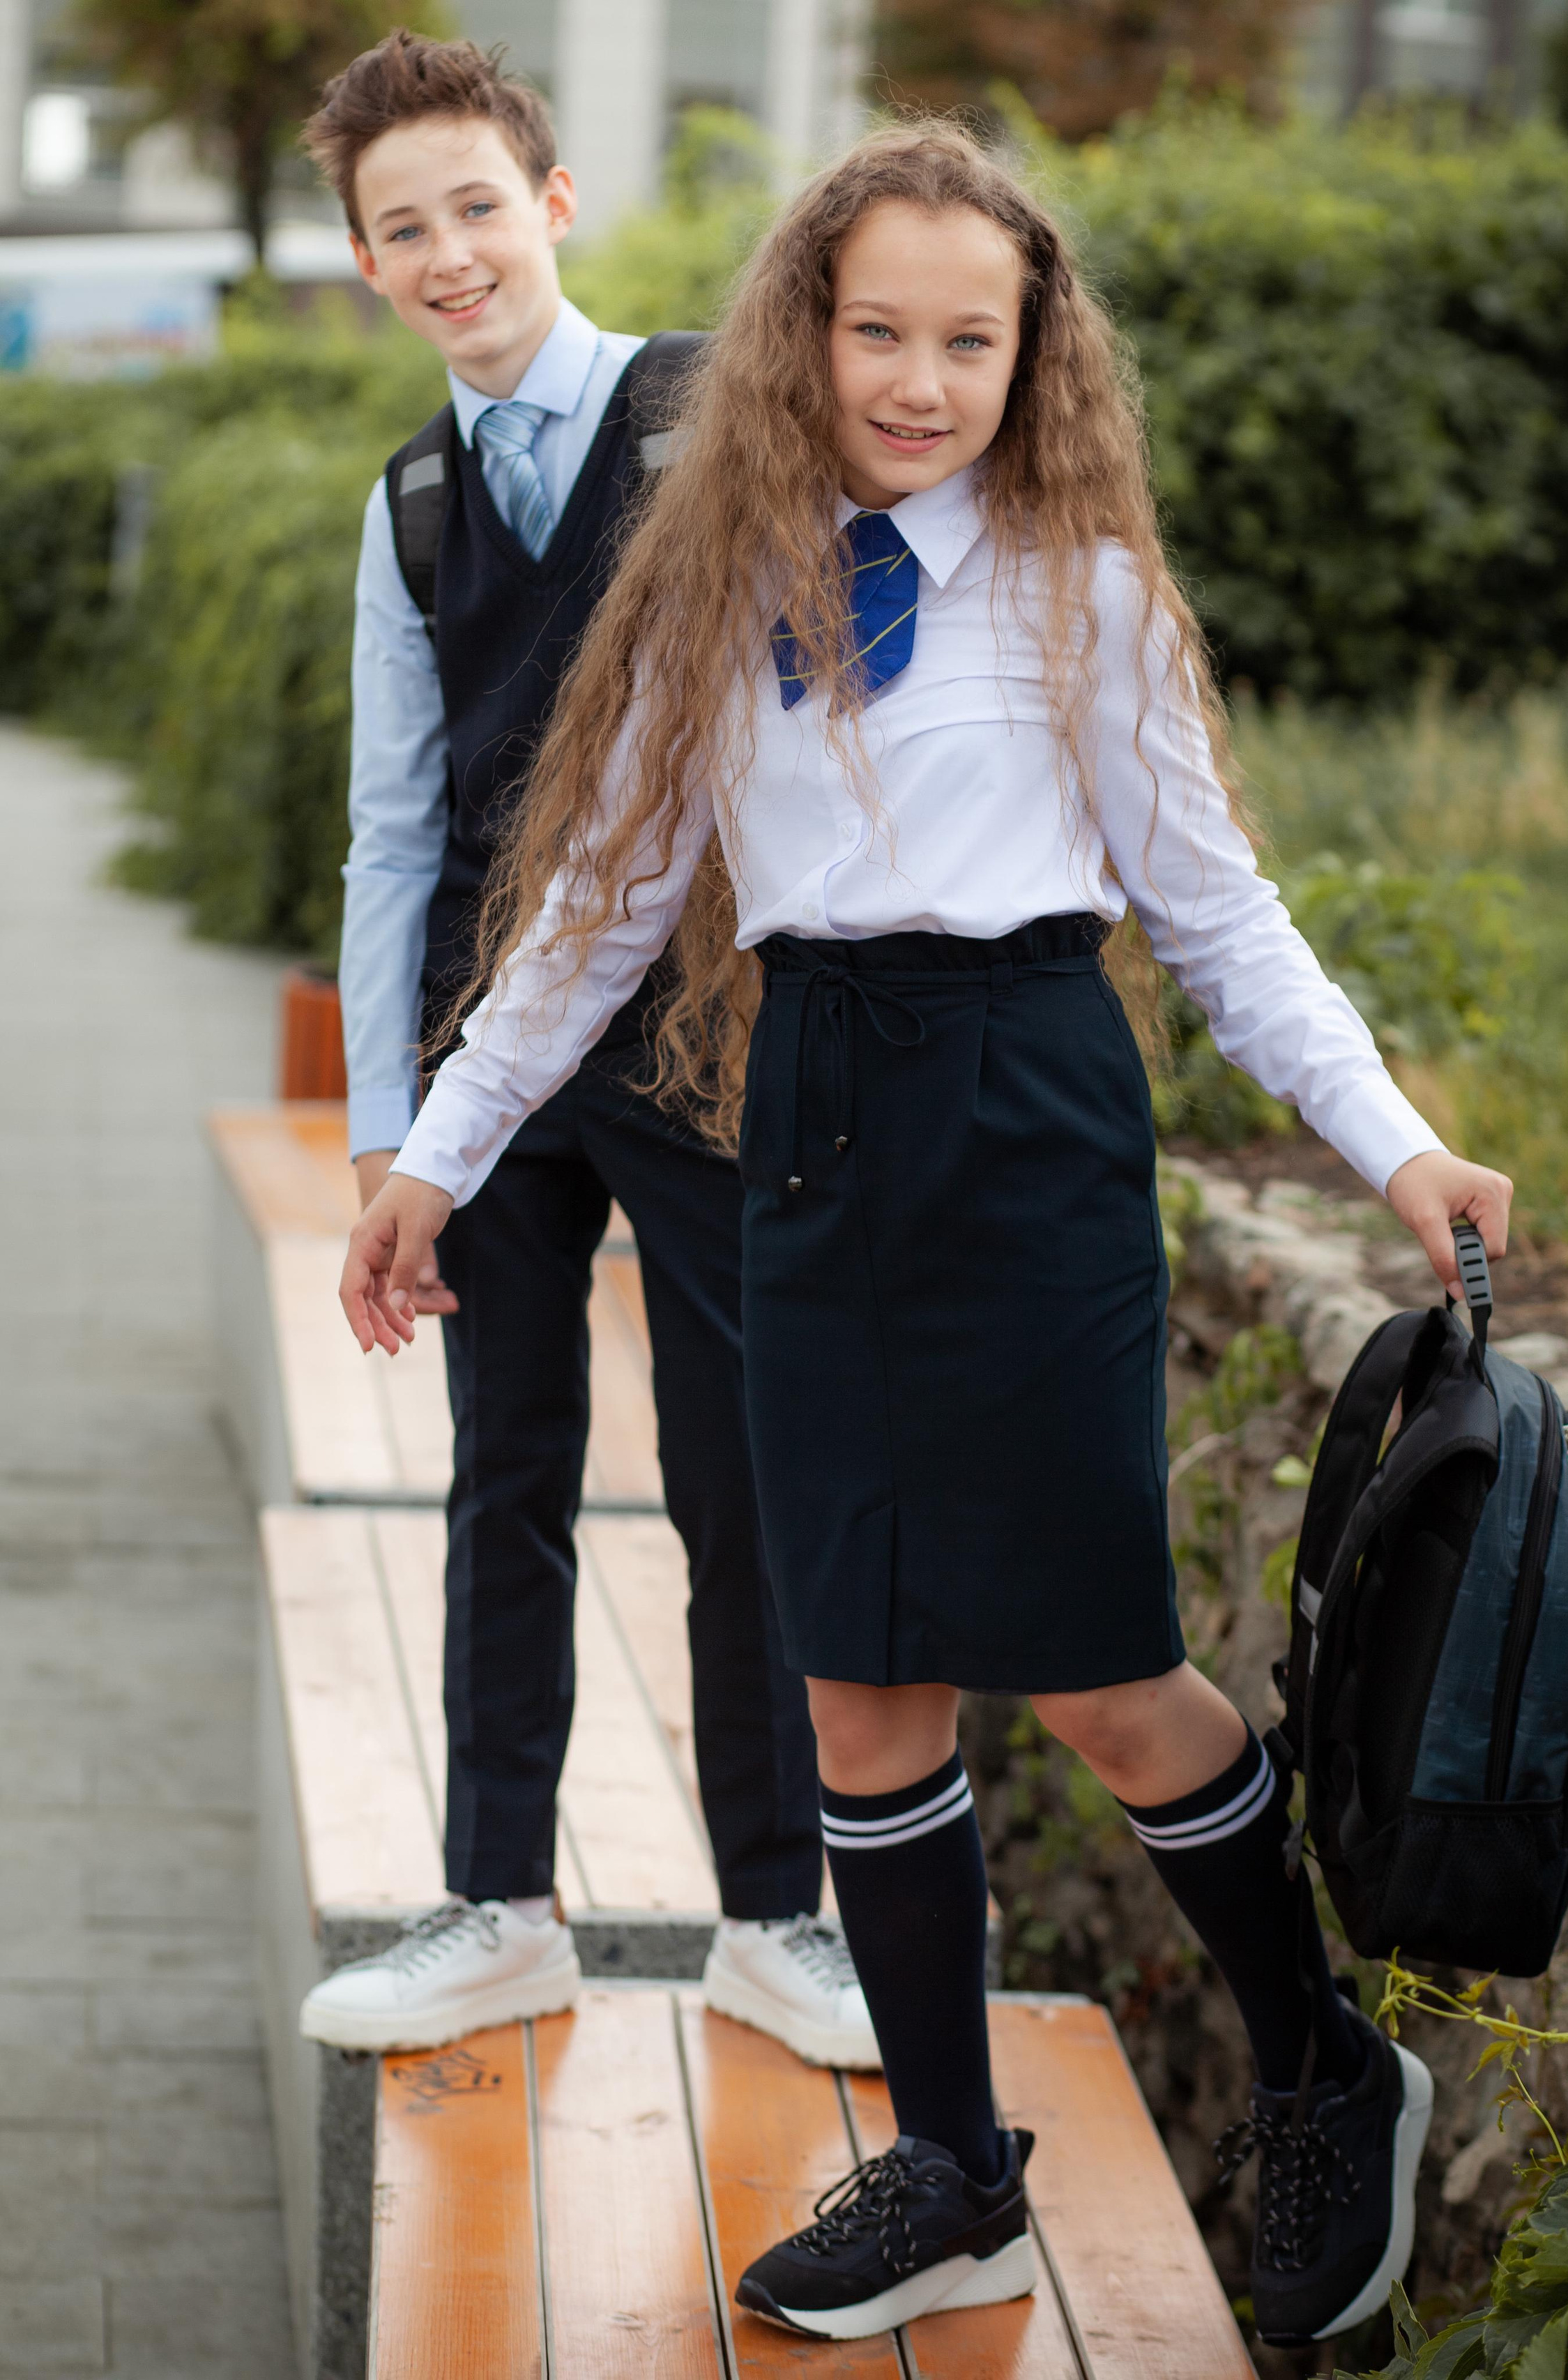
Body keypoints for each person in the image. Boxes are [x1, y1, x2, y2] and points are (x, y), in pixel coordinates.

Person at [338, 124, 1515, 2347]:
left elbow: (1220, 917)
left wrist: (1402, 1149)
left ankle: (1322, 2066)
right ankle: (958, 2172)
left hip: (1027, 1115)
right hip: (811, 1128)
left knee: (1099, 1678)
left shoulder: (1085, 591)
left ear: (1029, 356)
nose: (917, 378)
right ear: (802, 335)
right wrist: (436, 1157)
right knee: (857, 1682)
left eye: (968, 341)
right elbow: (592, 915)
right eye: (876, 330)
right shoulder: (714, 585)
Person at [293, 31, 875, 2071]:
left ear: (551, 203)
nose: (448, 254)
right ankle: (499, 1908)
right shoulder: (409, 504)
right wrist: (389, 1134)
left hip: (700, 1036)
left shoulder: (714, 414)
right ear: (366, 264)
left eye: (476, 206)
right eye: (403, 229)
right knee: (505, 1470)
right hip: (485, 1062)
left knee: (741, 1476)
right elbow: (390, 831)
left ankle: (779, 1918)